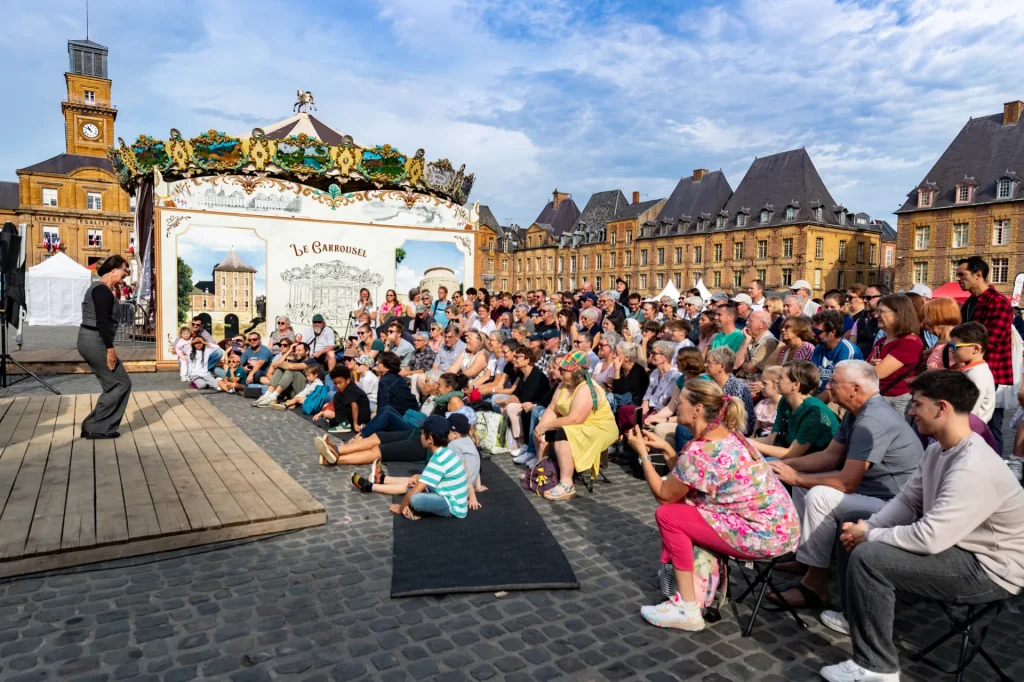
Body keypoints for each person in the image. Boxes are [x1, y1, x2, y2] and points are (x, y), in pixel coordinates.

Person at [821, 370, 1024, 682]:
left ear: (941, 408)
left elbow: (929, 538)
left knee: (868, 556)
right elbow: (907, 502)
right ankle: (856, 618)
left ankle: (876, 668)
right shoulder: (938, 449)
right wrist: (868, 526)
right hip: (960, 546)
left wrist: (871, 534)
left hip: (992, 569)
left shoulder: (972, 467)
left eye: (916, 404)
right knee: (854, 532)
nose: (910, 411)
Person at [631, 378, 799, 632]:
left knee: (668, 515)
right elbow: (688, 477)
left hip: (762, 535)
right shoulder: (727, 436)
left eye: (682, 402)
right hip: (780, 528)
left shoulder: (702, 451)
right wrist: (666, 448)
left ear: (697, 409)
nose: (677, 405)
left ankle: (687, 607)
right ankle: (692, 590)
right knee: (683, 510)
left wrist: (642, 454)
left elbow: (666, 495)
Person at [768, 360, 924, 608]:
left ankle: (814, 585)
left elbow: (848, 482)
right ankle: (807, 557)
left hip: (895, 503)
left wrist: (795, 476)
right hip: (874, 492)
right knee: (802, 482)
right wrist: (779, 467)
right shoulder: (858, 413)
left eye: (834, 382)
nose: (828, 386)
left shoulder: (872, 418)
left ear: (855, 388)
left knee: (818, 494)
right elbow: (829, 457)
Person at [531, 352, 619, 500]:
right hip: (577, 425)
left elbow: (574, 419)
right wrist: (542, 427)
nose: (561, 371)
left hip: (598, 427)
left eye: (564, 370)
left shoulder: (586, 389)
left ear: (575, 372)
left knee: (561, 433)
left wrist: (546, 427)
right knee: (542, 431)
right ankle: (543, 470)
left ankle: (567, 483)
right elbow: (553, 408)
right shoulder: (563, 384)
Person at [958, 256, 1015, 455]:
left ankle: (995, 468)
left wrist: (960, 350)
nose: (958, 279)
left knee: (990, 424)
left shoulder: (997, 301)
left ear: (978, 274)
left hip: (991, 371)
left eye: (962, 274)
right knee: (972, 420)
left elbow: (993, 340)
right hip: (970, 369)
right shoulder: (970, 303)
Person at [78, 255, 132, 438]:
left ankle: (93, 425)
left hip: (91, 338)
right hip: (96, 339)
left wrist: (115, 294)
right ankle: (98, 427)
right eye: (124, 270)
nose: (126, 274)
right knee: (120, 383)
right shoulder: (100, 290)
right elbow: (102, 322)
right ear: (113, 269)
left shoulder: (103, 289)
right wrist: (110, 349)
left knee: (114, 384)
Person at [752, 360, 838, 460]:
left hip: (817, 464)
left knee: (767, 462)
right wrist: (741, 441)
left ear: (795, 385)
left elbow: (791, 454)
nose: (776, 381)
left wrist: (751, 443)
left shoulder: (813, 412)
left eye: (781, 377)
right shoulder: (785, 401)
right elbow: (772, 439)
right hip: (794, 457)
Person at [868, 294, 923, 415]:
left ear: (898, 315)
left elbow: (878, 373)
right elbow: (867, 369)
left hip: (896, 403)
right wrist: (871, 366)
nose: (877, 315)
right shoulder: (881, 341)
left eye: (881, 312)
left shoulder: (910, 343)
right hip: (879, 398)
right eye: (877, 311)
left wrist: (871, 368)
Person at [811, 309, 862, 402]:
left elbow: (836, 388)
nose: (812, 334)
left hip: (840, 397)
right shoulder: (819, 347)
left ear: (832, 332)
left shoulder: (848, 351)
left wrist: (812, 405)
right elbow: (812, 379)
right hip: (821, 394)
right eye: (812, 329)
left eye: (817, 331)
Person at [949, 321, 995, 423]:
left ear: (975, 348)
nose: (952, 350)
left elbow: (970, 409)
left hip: (970, 428)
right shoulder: (974, 371)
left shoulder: (977, 375)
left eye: (955, 347)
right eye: (950, 346)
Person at [704, 347, 755, 436]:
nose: (705, 365)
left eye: (709, 362)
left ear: (722, 366)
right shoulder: (710, 385)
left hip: (733, 434)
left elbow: (737, 424)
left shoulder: (738, 388)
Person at [253, 342, 318, 407]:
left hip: (307, 393)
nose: (296, 353)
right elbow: (276, 365)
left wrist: (279, 365)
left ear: (307, 352)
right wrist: (289, 351)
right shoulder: (295, 361)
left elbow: (290, 367)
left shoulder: (311, 361)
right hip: (294, 393)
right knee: (279, 370)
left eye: (299, 350)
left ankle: (274, 396)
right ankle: (267, 395)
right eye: (295, 351)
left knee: (291, 370)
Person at [314, 365, 372, 436]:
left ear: (347, 380)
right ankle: (339, 421)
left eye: (340, 383)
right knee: (337, 396)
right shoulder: (345, 389)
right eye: (335, 384)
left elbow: (354, 406)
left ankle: (345, 424)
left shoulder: (351, 390)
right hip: (353, 415)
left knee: (338, 397)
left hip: (360, 416)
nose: (338, 386)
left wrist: (355, 423)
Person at [922, 296, 961, 370]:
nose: (924, 321)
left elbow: (959, 375)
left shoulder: (953, 347)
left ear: (940, 317)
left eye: (927, 316)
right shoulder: (941, 343)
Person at [735, 310, 777, 378]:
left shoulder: (768, 342)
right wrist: (746, 342)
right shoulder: (749, 337)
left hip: (752, 383)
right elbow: (735, 364)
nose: (747, 322)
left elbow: (751, 369)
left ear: (762, 325)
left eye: (750, 320)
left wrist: (741, 362)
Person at [853, 284, 887, 360]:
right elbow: (852, 345)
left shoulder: (887, 323)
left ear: (883, 298)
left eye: (869, 298)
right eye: (864, 297)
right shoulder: (860, 319)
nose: (864, 300)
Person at [753, 365, 783, 437]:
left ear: (777, 384)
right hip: (758, 441)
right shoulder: (761, 405)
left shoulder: (785, 408)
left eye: (765, 383)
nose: (761, 386)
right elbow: (754, 433)